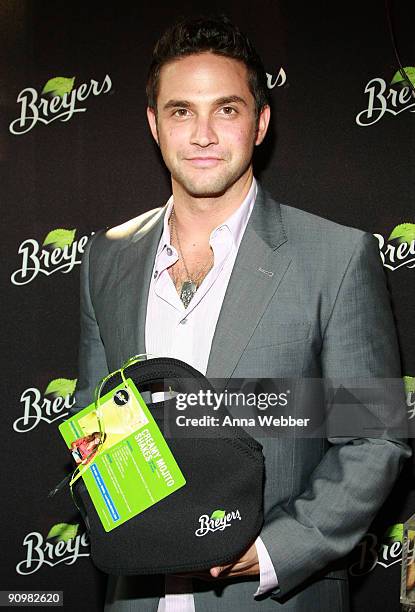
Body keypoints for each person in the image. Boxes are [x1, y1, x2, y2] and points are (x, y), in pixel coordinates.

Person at [73, 15, 410, 612]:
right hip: (136, 595)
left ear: (260, 123)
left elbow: (374, 436)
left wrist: (277, 549)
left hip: (273, 597)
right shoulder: (108, 257)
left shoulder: (335, 257)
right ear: (155, 125)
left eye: (226, 109)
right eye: (181, 111)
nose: (203, 134)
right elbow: (94, 419)